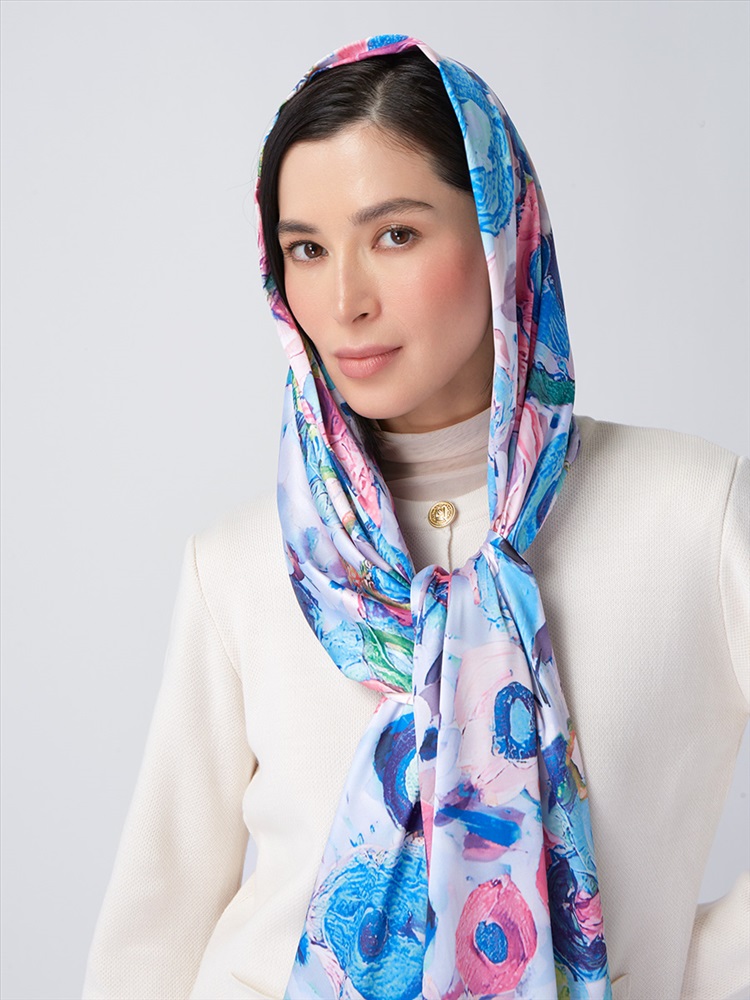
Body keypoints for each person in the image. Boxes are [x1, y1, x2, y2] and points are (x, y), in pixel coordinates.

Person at [83, 35, 749, 1000]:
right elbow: (153, 932)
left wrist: (699, 974)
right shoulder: (241, 564)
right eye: (306, 250)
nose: (343, 300)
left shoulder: (690, 510)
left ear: (499, 232)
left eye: (394, 235)